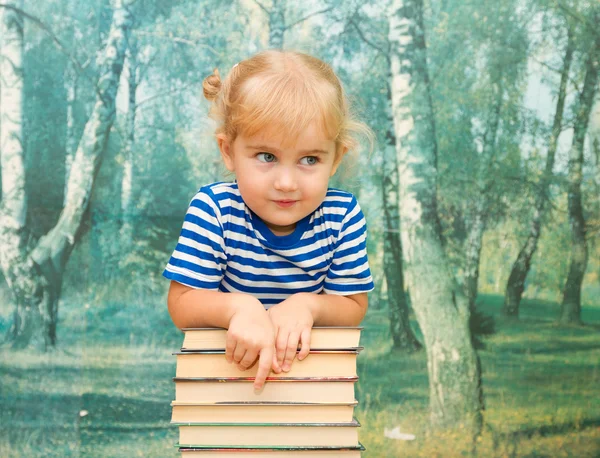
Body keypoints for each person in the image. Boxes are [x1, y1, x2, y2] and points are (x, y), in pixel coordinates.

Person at [164, 50, 375, 391]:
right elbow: (181, 304)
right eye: (267, 156)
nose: (287, 182)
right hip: (224, 387)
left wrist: (307, 306)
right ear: (228, 151)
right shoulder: (215, 209)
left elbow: (353, 306)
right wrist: (240, 308)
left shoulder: (341, 216)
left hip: (308, 390)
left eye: (309, 159)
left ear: (336, 158)